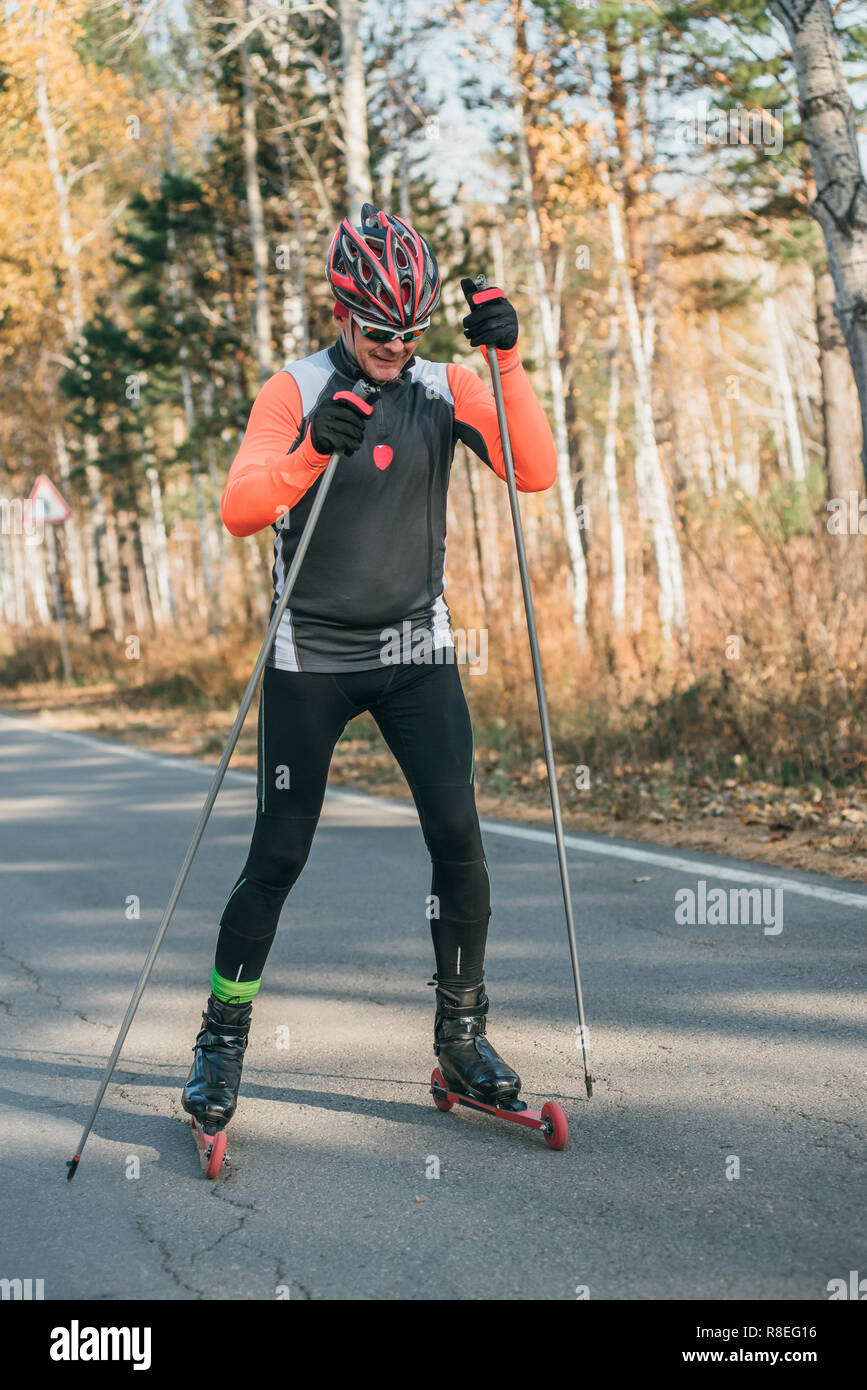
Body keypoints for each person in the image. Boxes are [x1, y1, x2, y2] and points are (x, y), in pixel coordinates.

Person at [181, 203, 557, 1135]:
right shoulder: (293, 387)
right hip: (311, 657)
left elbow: (534, 470)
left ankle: (461, 1041)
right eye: (380, 330)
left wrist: (506, 363)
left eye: (410, 330)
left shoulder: (445, 384)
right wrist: (313, 447)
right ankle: (220, 1042)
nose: (395, 346)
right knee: (278, 854)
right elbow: (238, 509)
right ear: (343, 312)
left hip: (414, 651)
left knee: (458, 838)